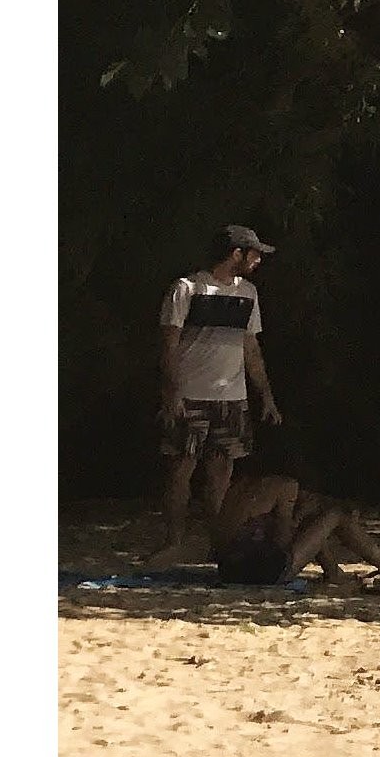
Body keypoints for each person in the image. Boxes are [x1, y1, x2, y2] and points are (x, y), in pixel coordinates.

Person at [157, 225, 283, 564]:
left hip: (232, 397)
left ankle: (220, 542)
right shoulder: (186, 289)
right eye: (253, 253)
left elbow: (250, 347)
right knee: (182, 470)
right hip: (191, 394)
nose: (258, 260)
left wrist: (265, 396)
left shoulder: (248, 294)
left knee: (221, 474)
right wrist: (172, 394)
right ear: (236, 254)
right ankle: (175, 541)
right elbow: (169, 345)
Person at [205, 464, 380, 595]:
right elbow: (282, 543)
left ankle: (333, 573)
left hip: (227, 569)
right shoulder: (286, 486)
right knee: (336, 516)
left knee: (314, 523)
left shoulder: (242, 485)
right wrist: (299, 521)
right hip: (258, 571)